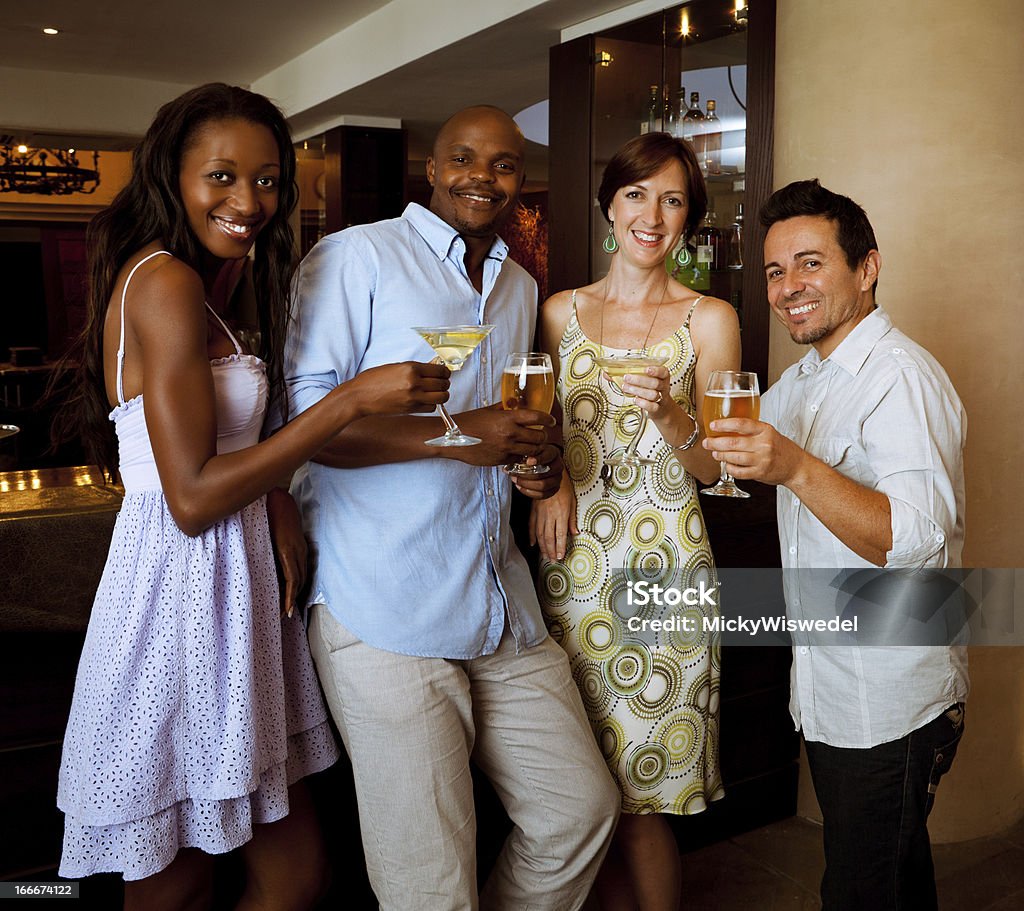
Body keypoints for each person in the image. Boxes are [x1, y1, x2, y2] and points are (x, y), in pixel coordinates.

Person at [54, 83, 450, 910]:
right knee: (177, 885)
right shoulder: (161, 280)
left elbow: (234, 447)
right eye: (223, 177)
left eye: (268, 180)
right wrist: (351, 398)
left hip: (233, 602)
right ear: (174, 175)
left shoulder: (211, 290)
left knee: (295, 871)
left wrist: (276, 504)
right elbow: (191, 498)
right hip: (176, 598)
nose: (249, 202)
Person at [280, 105, 620, 910]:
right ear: (431, 169)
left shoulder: (518, 283)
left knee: (579, 810)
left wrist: (534, 466)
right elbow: (304, 432)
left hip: (497, 597)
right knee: (429, 881)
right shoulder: (355, 256)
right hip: (383, 603)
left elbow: (501, 424)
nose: (483, 176)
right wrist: (465, 432)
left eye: (504, 164)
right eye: (464, 158)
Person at [705, 179, 968, 911]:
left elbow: (916, 536)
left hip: (891, 698)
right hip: (835, 690)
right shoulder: (808, 378)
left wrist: (793, 466)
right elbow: (722, 457)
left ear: (867, 267)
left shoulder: (901, 379)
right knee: (892, 877)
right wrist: (671, 415)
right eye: (776, 270)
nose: (790, 287)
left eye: (811, 263)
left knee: (861, 890)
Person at [531, 132, 741, 910]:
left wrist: (675, 413)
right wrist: (548, 484)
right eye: (636, 194)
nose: (653, 214)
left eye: (674, 198)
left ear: (689, 220)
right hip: (572, 568)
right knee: (585, 785)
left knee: (643, 786)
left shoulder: (709, 318)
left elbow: (721, 468)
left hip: (666, 571)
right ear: (609, 206)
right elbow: (537, 429)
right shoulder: (559, 313)